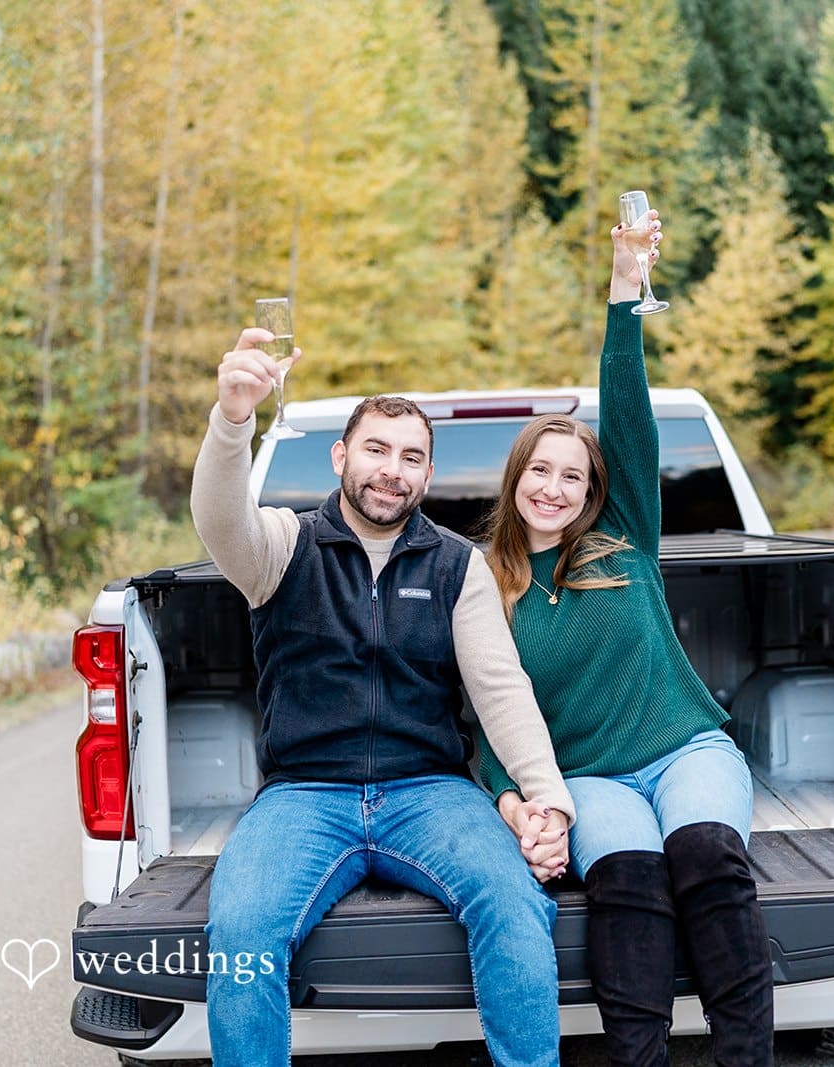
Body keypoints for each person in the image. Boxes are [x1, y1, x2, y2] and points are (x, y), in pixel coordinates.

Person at [190, 331, 575, 1067]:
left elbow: (500, 689)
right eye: (375, 450)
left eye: (410, 457)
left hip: (429, 791)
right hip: (304, 795)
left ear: (428, 474)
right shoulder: (281, 546)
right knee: (241, 931)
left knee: (516, 902)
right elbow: (218, 518)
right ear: (341, 457)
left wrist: (547, 798)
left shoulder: (459, 565)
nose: (390, 471)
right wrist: (232, 418)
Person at [478, 213, 774, 1067]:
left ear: (593, 489)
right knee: (632, 882)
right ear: (517, 478)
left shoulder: (624, 540)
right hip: (587, 776)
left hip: (684, 749)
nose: (556, 486)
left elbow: (628, 408)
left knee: (708, 859)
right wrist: (516, 799)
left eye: (574, 474)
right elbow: (485, 718)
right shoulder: (484, 587)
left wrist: (622, 288)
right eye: (541, 469)